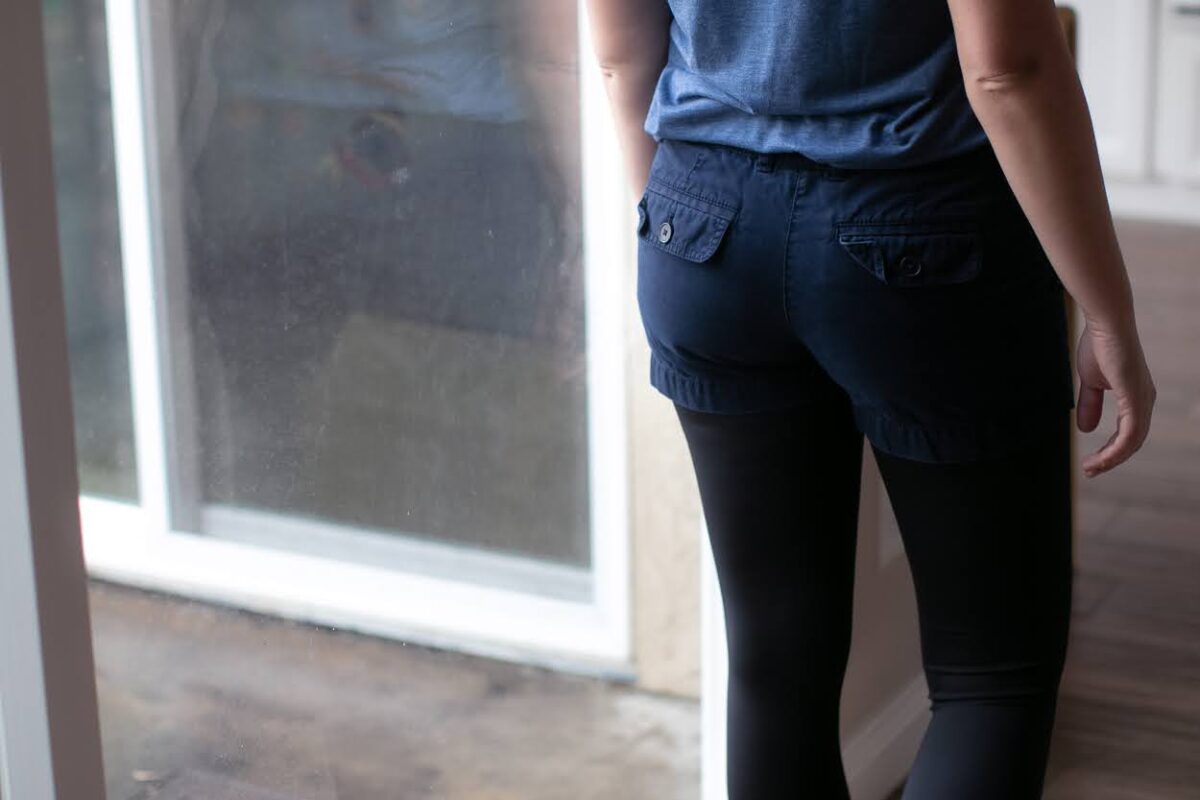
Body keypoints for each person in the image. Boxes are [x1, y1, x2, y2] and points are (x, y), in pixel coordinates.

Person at [587, 1, 1156, 798]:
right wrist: (1109, 308)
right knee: (990, 682)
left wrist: (686, 230)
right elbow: (1007, 67)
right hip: (925, 229)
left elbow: (620, 56)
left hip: (699, 216)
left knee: (773, 662)